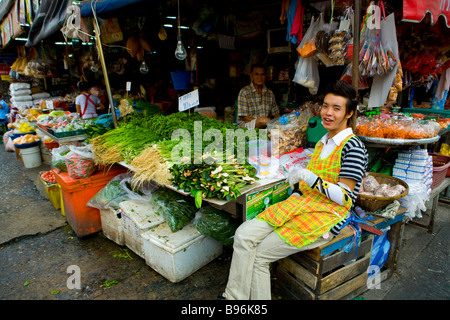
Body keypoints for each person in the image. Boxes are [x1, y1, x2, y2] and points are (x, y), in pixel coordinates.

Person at [221, 80, 368, 300]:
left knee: (260, 256)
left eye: (336, 108)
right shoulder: (323, 141)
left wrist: (310, 178)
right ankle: (234, 298)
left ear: (349, 113)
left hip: (327, 215)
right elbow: (309, 182)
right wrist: (298, 190)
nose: (328, 113)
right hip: (303, 203)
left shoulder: (353, 147)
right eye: (325, 106)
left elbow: (345, 197)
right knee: (243, 234)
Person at [237, 63, 280, 129]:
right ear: (251, 76)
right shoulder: (244, 92)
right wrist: (261, 122)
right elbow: (244, 117)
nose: (259, 78)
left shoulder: (269, 93)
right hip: (247, 126)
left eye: (262, 74)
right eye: (256, 74)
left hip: (265, 125)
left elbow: (276, 114)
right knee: (263, 120)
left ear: (266, 75)